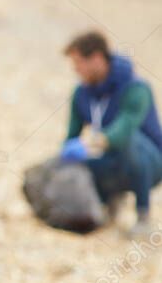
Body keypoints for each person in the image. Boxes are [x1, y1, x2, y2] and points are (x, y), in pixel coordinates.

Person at [62, 31, 162, 237]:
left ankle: (143, 216)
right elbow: (72, 136)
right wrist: (66, 155)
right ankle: (107, 205)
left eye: (79, 63)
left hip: (150, 162)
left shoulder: (137, 88)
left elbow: (124, 129)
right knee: (74, 161)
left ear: (97, 58)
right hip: (110, 159)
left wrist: (91, 144)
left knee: (129, 142)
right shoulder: (81, 94)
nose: (76, 70)